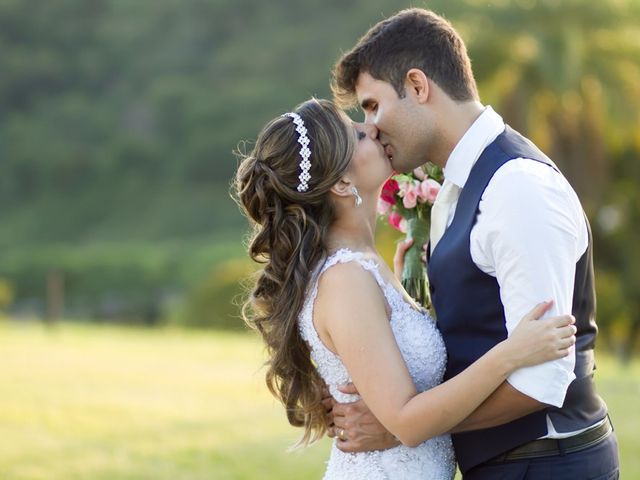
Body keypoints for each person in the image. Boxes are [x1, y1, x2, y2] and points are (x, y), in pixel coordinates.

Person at [328, 7, 619, 479]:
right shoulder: (457, 188)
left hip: (547, 465)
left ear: (418, 86)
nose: (372, 127)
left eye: (373, 106)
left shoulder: (516, 187)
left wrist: (403, 426)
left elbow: (542, 379)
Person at [234, 97, 577, 479]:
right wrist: (510, 355)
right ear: (343, 183)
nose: (372, 129)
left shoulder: (365, 265)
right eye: (356, 134)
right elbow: (406, 422)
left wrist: (413, 303)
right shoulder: (346, 280)